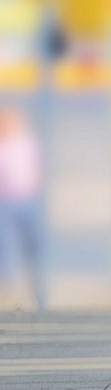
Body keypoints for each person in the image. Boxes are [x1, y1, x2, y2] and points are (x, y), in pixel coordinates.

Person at [0, 109, 45, 310]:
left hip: (27, 200)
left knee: (33, 247)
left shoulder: (27, 143)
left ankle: (39, 293)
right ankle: (6, 288)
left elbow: (37, 168)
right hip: (5, 201)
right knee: (4, 247)